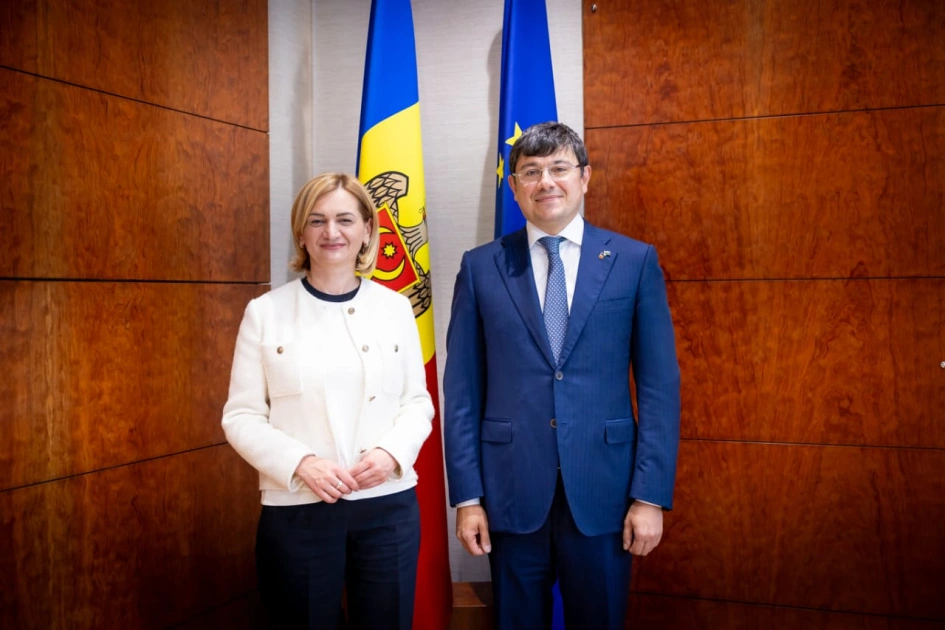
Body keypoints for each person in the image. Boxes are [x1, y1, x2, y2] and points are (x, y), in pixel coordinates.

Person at [444, 122, 681, 630]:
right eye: (531, 172)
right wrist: (467, 499)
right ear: (514, 187)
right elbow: (461, 393)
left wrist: (650, 495)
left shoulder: (633, 261)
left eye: (559, 168)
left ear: (585, 177)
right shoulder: (482, 267)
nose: (545, 182)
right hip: (510, 496)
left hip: (605, 495)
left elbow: (659, 389)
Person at [222, 172, 434, 629]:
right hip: (298, 508)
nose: (331, 232)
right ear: (301, 233)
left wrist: (390, 453)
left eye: (344, 219)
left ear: (367, 230)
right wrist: (301, 463)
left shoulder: (396, 308)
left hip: (387, 507)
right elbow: (241, 416)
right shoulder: (266, 312)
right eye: (317, 221)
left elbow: (418, 403)